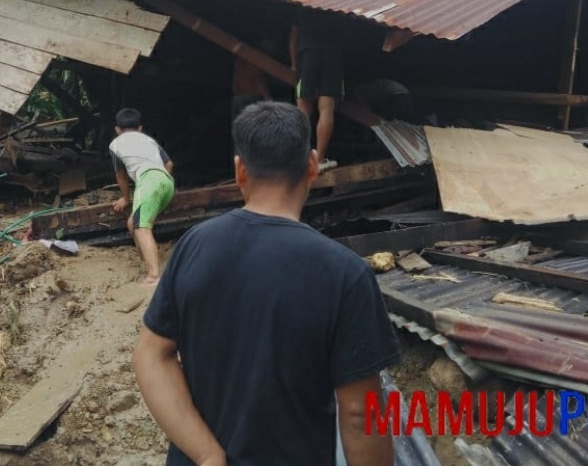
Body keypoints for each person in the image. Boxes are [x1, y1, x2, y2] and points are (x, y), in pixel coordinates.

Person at [132, 101, 401, 466]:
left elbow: (150, 355)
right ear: (312, 165)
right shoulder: (345, 274)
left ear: (239, 170)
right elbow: (358, 415)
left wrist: (208, 454)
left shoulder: (194, 245)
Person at [109, 107, 176, 287]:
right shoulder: (149, 141)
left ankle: (154, 276)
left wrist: (126, 198)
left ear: (117, 130)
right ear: (140, 128)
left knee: (141, 227)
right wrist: (162, 181)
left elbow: (120, 176)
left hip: (148, 181)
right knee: (133, 222)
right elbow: (169, 163)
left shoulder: (115, 144)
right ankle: (148, 257)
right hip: (167, 181)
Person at [290, 10, 351, 172]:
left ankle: (299, 158)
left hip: (308, 52)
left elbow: (293, 36)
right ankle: (319, 159)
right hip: (333, 55)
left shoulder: (304, 6)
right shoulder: (338, 8)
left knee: (303, 106)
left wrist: (294, 64)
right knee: (326, 108)